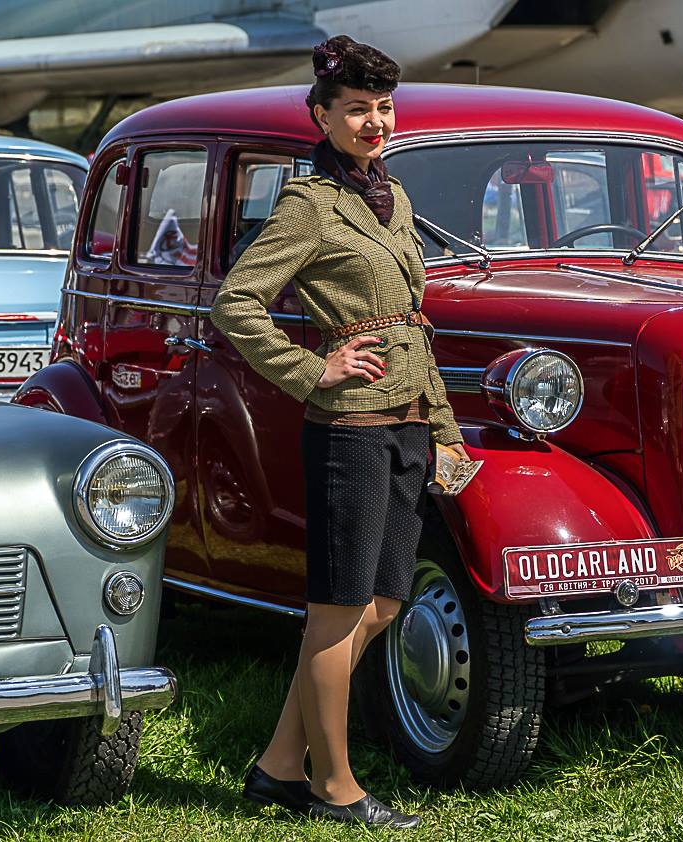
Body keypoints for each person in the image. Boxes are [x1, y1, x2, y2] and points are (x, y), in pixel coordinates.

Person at [209, 34, 465, 830]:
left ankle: (280, 766)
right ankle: (335, 786)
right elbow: (236, 303)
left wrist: (445, 429)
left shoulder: (394, 197)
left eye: (383, 108)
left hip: (409, 418)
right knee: (337, 609)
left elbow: (413, 320)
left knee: (382, 603)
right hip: (350, 428)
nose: (374, 122)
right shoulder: (308, 204)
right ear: (321, 116)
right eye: (357, 109)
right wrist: (313, 369)